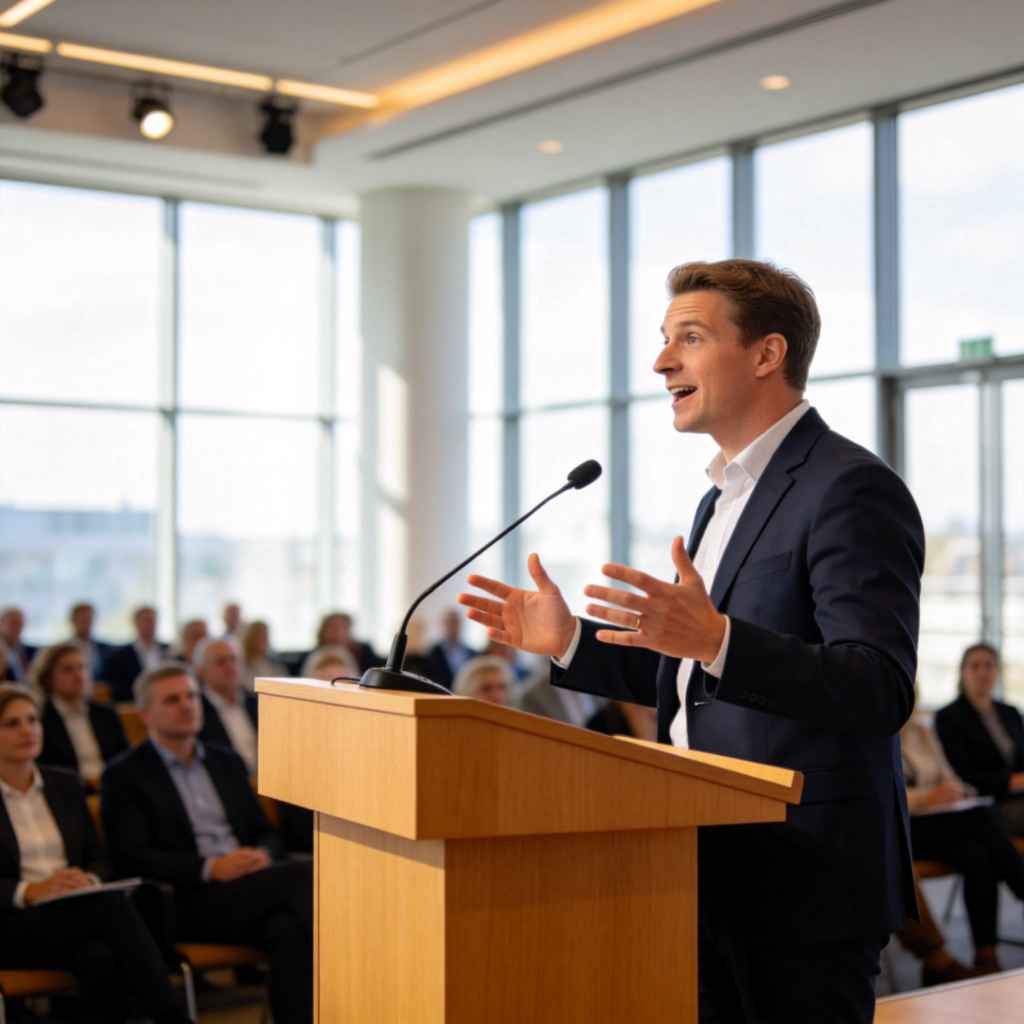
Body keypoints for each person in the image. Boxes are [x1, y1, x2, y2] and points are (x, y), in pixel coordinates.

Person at [459, 259, 925, 1023]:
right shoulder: (722, 499)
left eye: (690, 338)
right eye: (664, 340)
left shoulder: (847, 486)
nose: (661, 361)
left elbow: (878, 686)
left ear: (768, 355)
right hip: (700, 863)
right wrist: (572, 641)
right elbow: (693, 682)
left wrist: (720, 641)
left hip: (802, 876)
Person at [100, 663, 313, 1024]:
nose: (187, 705)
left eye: (192, 696)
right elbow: (130, 856)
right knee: (305, 873)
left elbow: (266, 833)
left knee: (287, 930)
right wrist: (210, 867)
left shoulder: (226, 761)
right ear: (145, 713)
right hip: (186, 899)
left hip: (250, 888)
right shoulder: (124, 774)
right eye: (173, 699)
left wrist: (260, 854)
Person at [0, 684, 189, 1024]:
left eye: (32, 720)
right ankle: (172, 1018)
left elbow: (98, 858)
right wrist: (29, 890)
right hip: (11, 922)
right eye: (12, 723)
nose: (28, 729)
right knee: (113, 906)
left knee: (99, 956)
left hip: (75, 910)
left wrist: (86, 879)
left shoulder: (63, 784)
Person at [901, 711, 1024, 976]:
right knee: (983, 818)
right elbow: (884, 796)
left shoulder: (920, 731)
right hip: (901, 828)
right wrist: (927, 797)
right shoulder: (871, 735)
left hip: (937, 820)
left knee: (976, 852)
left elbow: (948, 774)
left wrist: (956, 790)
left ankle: (986, 956)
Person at [935, 642, 1024, 836]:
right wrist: (1011, 781)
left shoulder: (1011, 712)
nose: (983, 673)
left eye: (989, 665)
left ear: (997, 671)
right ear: (963, 672)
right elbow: (962, 773)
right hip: (988, 802)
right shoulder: (948, 717)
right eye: (975, 666)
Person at [33, 643, 128, 790]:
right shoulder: (39, 719)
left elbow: (123, 760)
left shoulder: (106, 713)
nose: (79, 675)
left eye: (82, 667)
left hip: (113, 789)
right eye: (68, 670)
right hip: (68, 793)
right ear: (48, 678)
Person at [195, 637, 259, 775]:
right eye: (220, 662)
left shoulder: (258, 703)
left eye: (234, 659)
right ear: (202, 672)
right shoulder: (196, 711)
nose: (230, 667)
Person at [102, 606, 169, 702]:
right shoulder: (119, 657)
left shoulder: (169, 650)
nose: (152, 624)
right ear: (136, 623)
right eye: (147, 621)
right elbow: (117, 689)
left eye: (154, 620)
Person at [66, 602, 115, 685]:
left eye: (89, 619)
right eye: (83, 620)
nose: (87, 624)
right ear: (73, 621)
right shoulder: (64, 650)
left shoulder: (106, 649)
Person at [426, 608, 477, 687]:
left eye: (456, 622)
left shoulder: (471, 652)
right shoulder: (434, 652)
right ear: (444, 624)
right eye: (451, 622)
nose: (454, 626)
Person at [240, 619, 290, 691]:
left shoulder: (274, 660)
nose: (262, 639)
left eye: (265, 634)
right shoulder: (242, 664)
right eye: (258, 635)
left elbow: (286, 683)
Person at [0, 606, 36, 684]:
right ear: (1, 622)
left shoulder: (31, 651)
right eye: (14, 622)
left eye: (21, 623)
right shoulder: (2, 650)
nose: (18, 627)